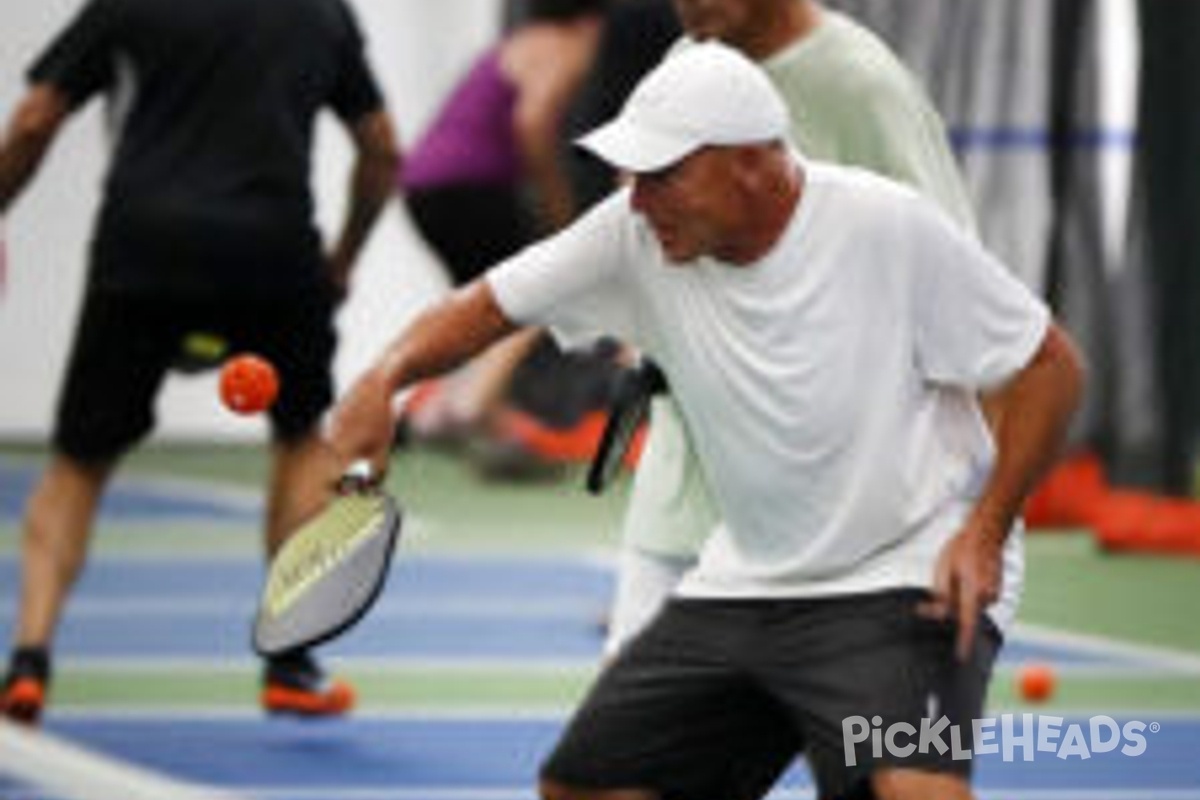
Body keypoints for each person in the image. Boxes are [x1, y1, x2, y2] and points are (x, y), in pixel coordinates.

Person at [325, 43, 1084, 799]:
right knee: (585, 788)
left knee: (912, 792)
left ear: (753, 161)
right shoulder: (634, 230)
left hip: (906, 569)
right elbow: (489, 304)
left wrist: (984, 533)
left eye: (663, 174)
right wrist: (383, 377)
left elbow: (1050, 365)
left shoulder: (887, 226)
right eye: (631, 173)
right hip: (751, 577)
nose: (640, 197)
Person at [0, 0, 400, 724]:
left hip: (142, 249)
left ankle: (29, 659)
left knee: (79, 461)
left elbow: (33, 120)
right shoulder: (319, 12)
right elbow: (381, 151)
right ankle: (290, 661)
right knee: (301, 436)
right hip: (273, 252)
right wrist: (343, 258)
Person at [604, 0, 989, 654]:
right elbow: (639, 218)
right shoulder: (688, 59)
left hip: (835, 523)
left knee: (877, 752)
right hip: (683, 503)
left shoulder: (862, 86)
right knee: (612, 756)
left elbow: (957, 290)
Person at [399, 0, 611, 467]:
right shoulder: (570, 43)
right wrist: (557, 209)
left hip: (422, 185)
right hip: (470, 185)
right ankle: (468, 407)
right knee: (541, 287)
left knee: (485, 302)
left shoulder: (516, 42)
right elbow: (533, 121)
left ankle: (452, 410)